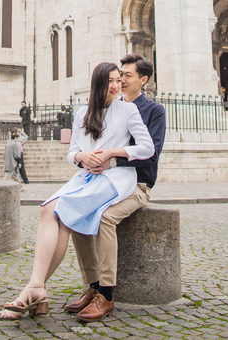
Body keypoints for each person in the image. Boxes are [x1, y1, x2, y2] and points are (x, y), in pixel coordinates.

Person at [0, 62, 154, 323]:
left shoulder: (128, 110)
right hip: (87, 176)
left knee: (64, 213)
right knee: (48, 209)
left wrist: (113, 153)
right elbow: (72, 154)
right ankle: (37, 287)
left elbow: (147, 148)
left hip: (115, 177)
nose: (116, 86)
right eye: (111, 81)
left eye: (119, 80)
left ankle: (34, 290)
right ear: (98, 85)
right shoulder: (83, 113)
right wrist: (83, 156)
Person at [67, 54, 166, 321]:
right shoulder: (111, 107)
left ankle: (107, 294)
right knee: (77, 212)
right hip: (108, 181)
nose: (120, 80)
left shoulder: (153, 111)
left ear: (143, 80)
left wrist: (111, 160)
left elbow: (151, 154)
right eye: (117, 75)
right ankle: (93, 285)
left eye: (126, 75)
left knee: (105, 217)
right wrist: (86, 158)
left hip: (138, 184)